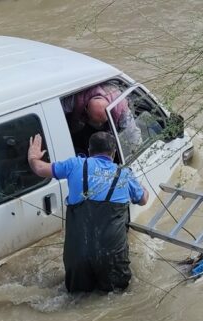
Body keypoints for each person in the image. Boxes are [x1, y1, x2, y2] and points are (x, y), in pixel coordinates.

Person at [27, 131, 149, 292]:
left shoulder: (74, 165)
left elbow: (40, 169)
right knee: (116, 297)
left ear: (89, 150)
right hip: (112, 256)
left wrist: (33, 157)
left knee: (76, 299)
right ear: (114, 153)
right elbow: (143, 199)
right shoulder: (124, 174)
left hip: (77, 255)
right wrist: (142, 187)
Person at [63, 83, 142, 158]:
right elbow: (57, 110)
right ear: (86, 109)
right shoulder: (77, 99)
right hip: (84, 127)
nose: (100, 125)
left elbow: (132, 133)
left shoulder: (120, 105)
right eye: (96, 122)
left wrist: (136, 154)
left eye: (102, 121)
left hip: (109, 130)